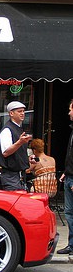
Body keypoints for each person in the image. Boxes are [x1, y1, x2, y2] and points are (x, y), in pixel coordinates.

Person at [0, 101, 33, 191]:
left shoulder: (19, 129)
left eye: (23, 111)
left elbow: (18, 152)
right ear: (11, 113)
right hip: (11, 176)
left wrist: (28, 158)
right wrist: (20, 142)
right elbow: (5, 152)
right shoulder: (7, 130)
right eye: (19, 111)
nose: (22, 113)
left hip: (21, 175)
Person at [58, 99, 73, 255]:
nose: (68, 113)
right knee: (69, 212)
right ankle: (71, 245)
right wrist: (66, 171)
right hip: (69, 176)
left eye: (70, 109)